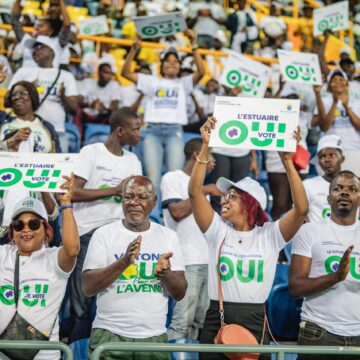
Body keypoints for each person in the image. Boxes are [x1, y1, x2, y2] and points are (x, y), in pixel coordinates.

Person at [188, 117, 309, 360]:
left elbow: (301, 210)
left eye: (232, 196)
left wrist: (287, 162)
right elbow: (194, 193)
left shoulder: (270, 235)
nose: (224, 200)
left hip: (255, 319)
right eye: (225, 195)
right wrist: (206, 147)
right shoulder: (217, 230)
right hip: (216, 318)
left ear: (250, 203)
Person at [82, 175, 187, 359]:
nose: (134, 202)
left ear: (154, 202)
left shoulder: (168, 236)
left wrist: (165, 272)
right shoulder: (104, 234)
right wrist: (123, 262)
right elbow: (88, 287)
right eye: (128, 196)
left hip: (153, 337)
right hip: (109, 335)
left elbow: (179, 293)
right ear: (121, 200)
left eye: (142, 197)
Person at [67, 108, 142, 343]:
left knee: (109, 299)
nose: (140, 134)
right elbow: (72, 193)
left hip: (118, 234)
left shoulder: (133, 160)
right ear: (120, 131)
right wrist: (112, 190)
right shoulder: (91, 152)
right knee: (82, 300)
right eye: (136, 129)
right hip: (88, 233)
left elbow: (135, 197)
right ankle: (78, 350)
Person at [121, 31, 205, 218]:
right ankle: (153, 218)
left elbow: (202, 72)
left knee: (174, 177)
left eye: (176, 61)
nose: (172, 63)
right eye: (168, 60)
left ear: (180, 66)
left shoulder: (183, 83)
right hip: (153, 132)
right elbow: (125, 72)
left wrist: (194, 46)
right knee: (154, 178)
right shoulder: (152, 81)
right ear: (161, 65)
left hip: (175, 131)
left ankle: (169, 218)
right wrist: (134, 49)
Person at [0, 175, 79, 360]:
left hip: (45, 356)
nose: (25, 229)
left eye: (33, 224)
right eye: (19, 225)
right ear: (12, 233)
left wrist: (66, 204)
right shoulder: (3, 254)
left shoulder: (53, 259)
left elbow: (72, 249)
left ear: (46, 231)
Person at [290, 170, 360, 359]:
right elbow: (295, 288)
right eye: (338, 189)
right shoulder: (309, 231)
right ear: (328, 199)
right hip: (318, 332)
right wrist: (335, 277)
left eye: (352, 189)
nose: (345, 192)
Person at [161, 138, 218, 341]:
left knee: (199, 324)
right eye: (211, 155)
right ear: (197, 155)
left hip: (206, 260)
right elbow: (176, 212)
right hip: (186, 259)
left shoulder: (200, 185)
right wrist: (204, 190)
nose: (214, 161)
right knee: (181, 323)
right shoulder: (173, 177)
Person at [0, 81, 61, 229]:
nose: (17, 97)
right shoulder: (3, 122)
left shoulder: (47, 127)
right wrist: (10, 143)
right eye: (13, 94)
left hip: (39, 184)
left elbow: (57, 160)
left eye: (22, 93)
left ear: (32, 97)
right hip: (7, 184)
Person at [9, 36, 79, 152]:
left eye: (40, 47)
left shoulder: (66, 76)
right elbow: (7, 100)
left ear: (51, 51)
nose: (35, 51)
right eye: (34, 49)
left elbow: (73, 109)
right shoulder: (24, 72)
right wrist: (26, 91)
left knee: (60, 169)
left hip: (56, 132)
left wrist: (62, 96)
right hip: (24, 132)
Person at [313, 69, 360, 175]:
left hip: (355, 150)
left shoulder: (357, 102)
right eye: (333, 80)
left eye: (341, 79)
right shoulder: (324, 101)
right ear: (329, 87)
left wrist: (347, 107)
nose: (338, 82)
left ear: (347, 83)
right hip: (331, 152)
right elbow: (324, 127)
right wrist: (335, 103)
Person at [11, 0, 70, 68]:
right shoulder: (27, 40)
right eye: (37, 25)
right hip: (25, 78)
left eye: (41, 26)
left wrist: (60, 1)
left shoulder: (58, 43)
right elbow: (14, 21)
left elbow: (67, 25)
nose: (37, 28)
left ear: (50, 30)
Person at [303, 135, 345, 222]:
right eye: (322, 156)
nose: (327, 159)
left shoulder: (354, 185)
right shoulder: (307, 185)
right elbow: (300, 215)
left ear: (342, 159)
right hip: (316, 234)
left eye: (332, 155)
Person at [74, 62, 122, 136]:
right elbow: (77, 101)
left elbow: (115, 106)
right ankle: (79, 138)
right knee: (77, 111)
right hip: (88, 115)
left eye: (111, 74)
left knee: (115, 114)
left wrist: (104, 107)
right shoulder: (88, 82)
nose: (109, 76)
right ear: (99, 72)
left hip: (104, 117)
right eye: (106, 72)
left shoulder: (114, 85)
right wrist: (90, 104)